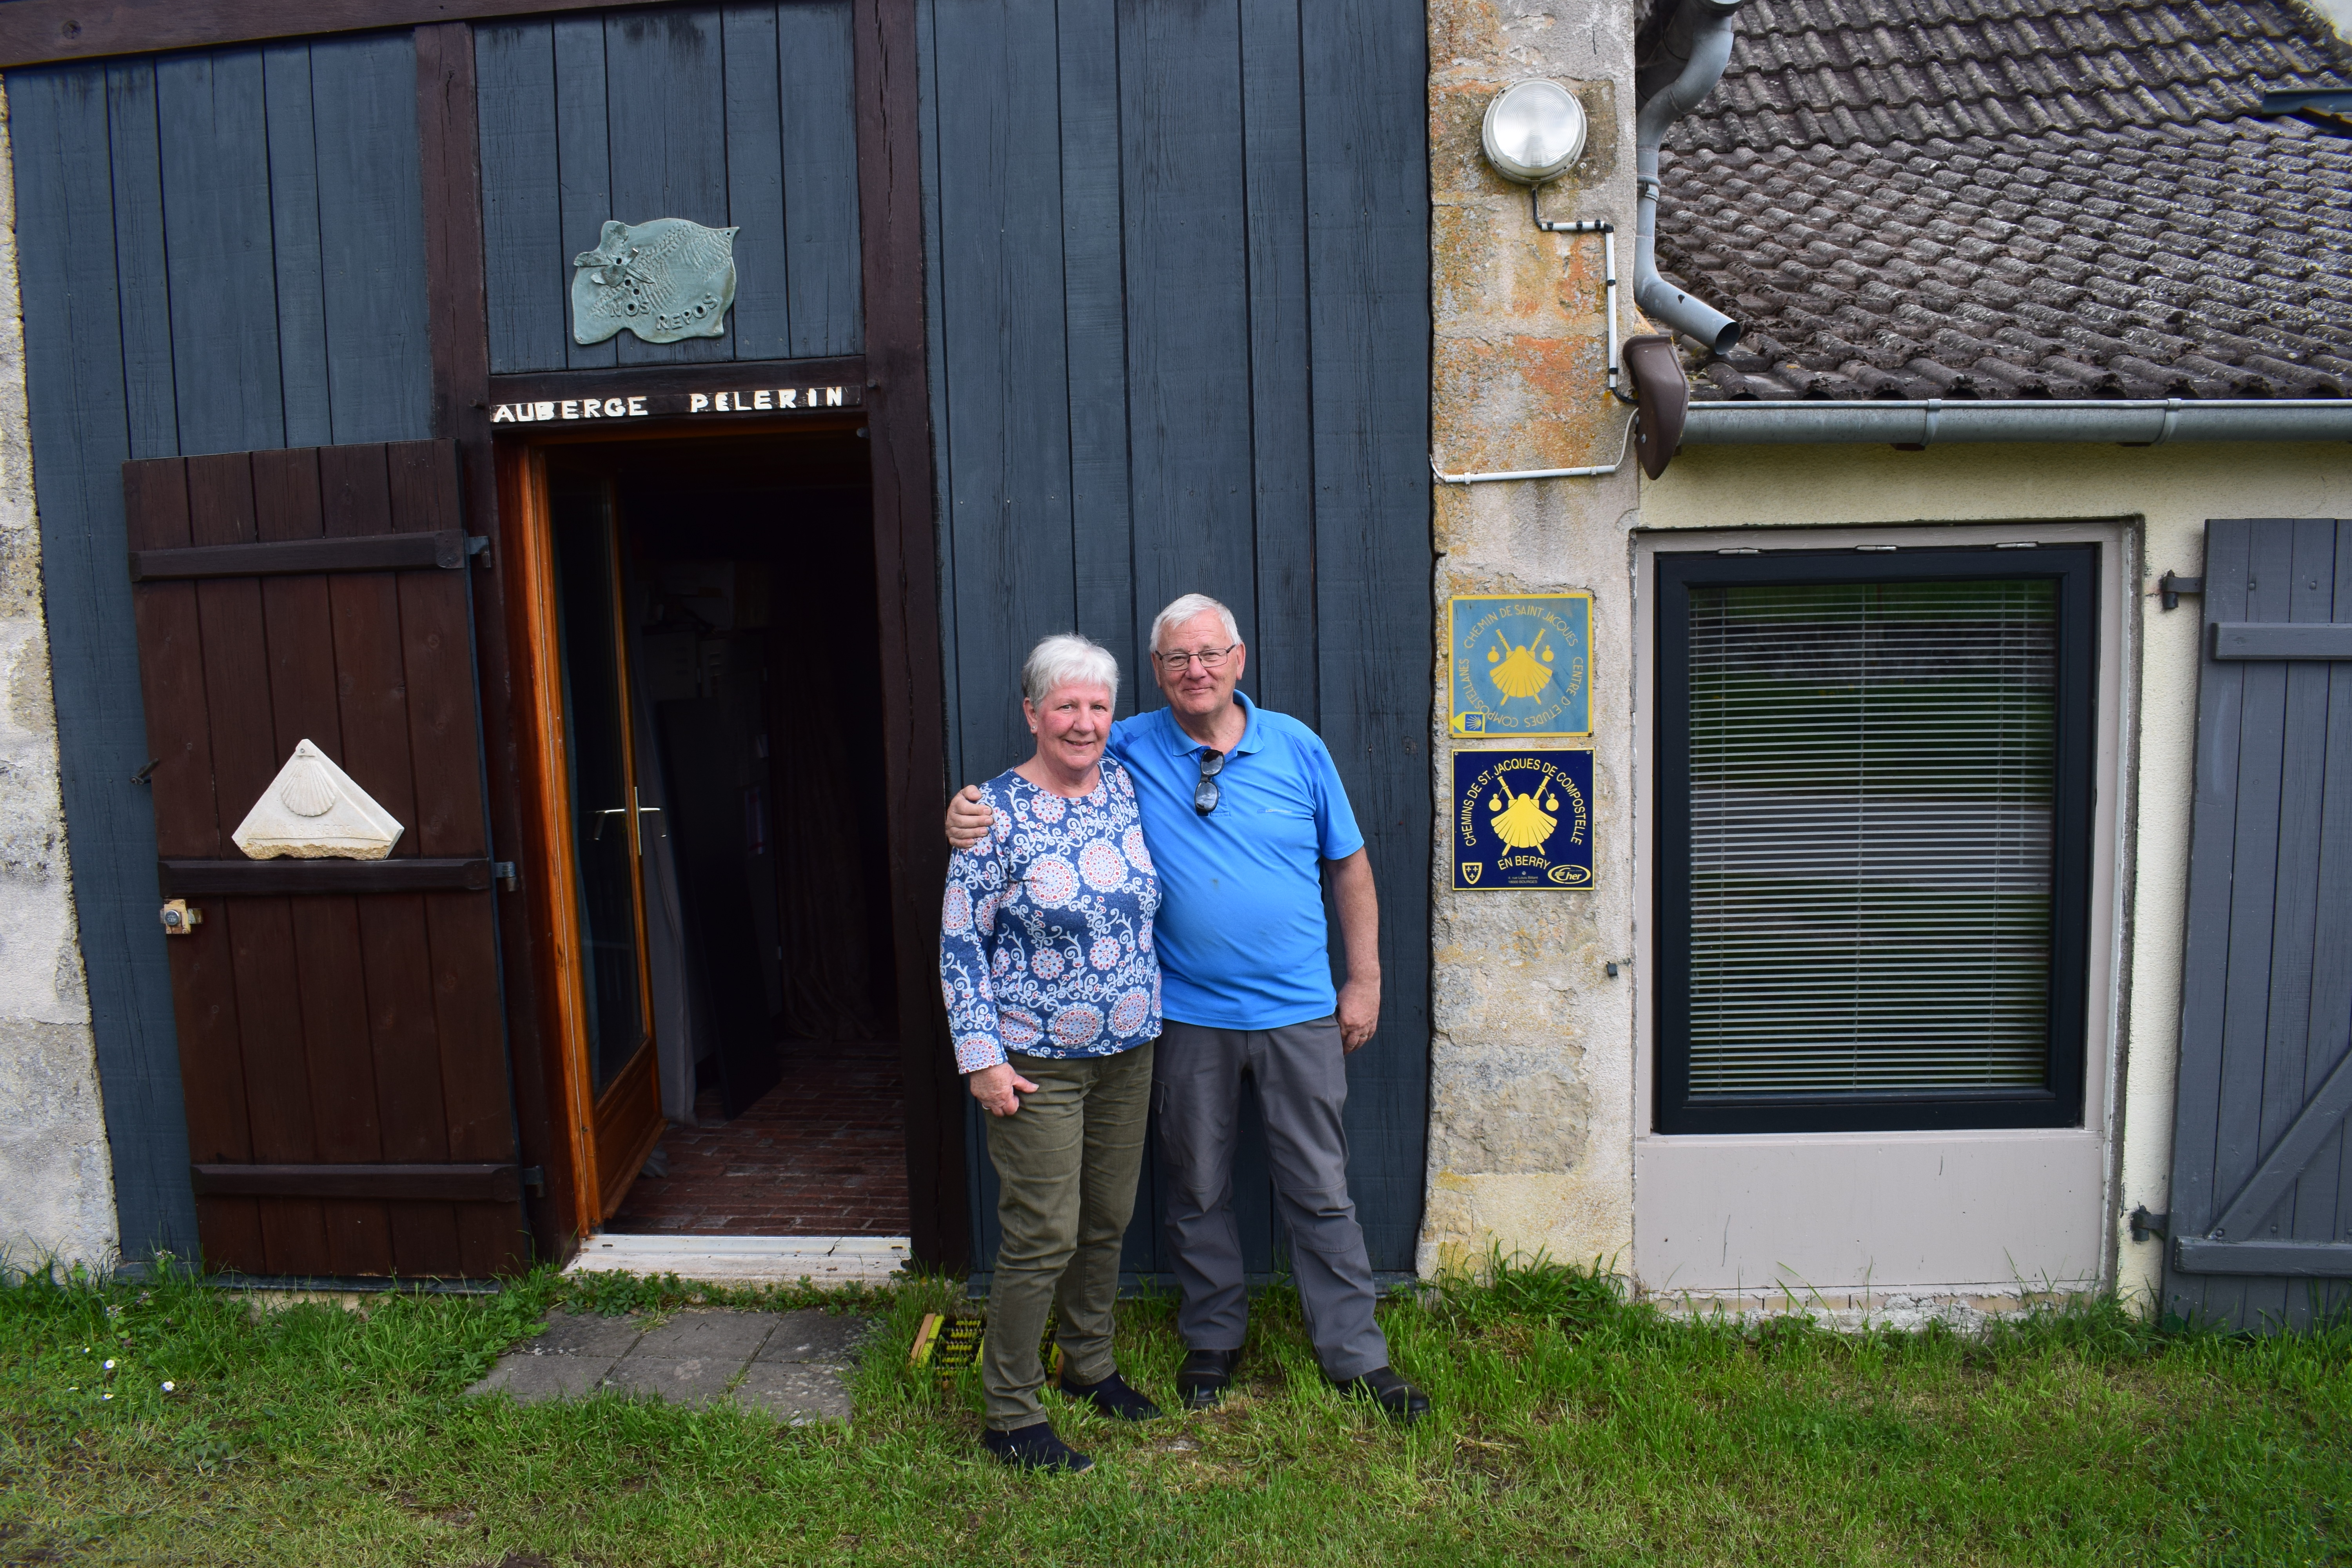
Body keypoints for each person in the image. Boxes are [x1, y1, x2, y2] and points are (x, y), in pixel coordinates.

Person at [949, 594, 1429, 1423]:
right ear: (1159, 672)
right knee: (1198, 1187)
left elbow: (1348, 865)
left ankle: (1356, 1355)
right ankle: (1213, 1340)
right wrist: (965, 813)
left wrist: (1367, 978)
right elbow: (1038, 781)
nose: (1195, 671)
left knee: (1319, 1186)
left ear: (1240, 658)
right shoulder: (1130, 743)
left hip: (1298, 1009)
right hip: (1187, 1018)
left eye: (1210, 654)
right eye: (1176, 659)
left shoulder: (1297, 746)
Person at [940, 633, 1165, 1474]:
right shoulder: (992, 812)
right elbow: (961, 940)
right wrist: (981, 1056)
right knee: (1043, 1232)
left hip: (1131, 1046)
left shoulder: (1127, 784)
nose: (1084, 721)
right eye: (1065, 705)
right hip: (1037, 1060)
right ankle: (1009, 1410)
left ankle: (1089, 1363)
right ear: (1032, 711)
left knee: (1105, 1219)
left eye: (1098, 705)